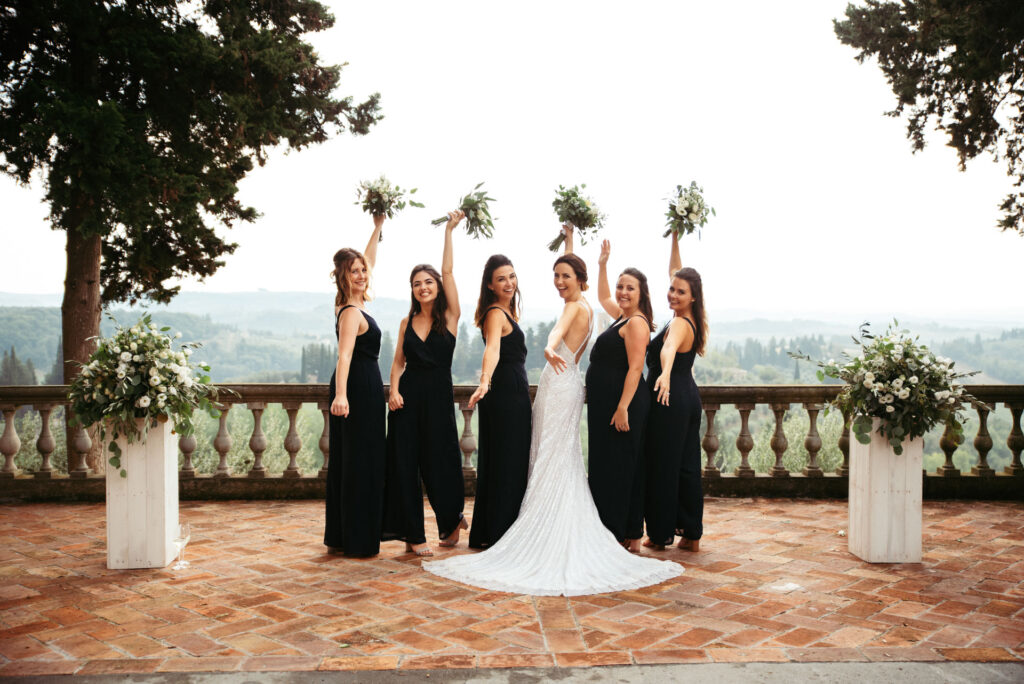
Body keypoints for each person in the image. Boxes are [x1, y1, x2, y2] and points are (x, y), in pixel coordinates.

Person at [424, 226, 682, 594]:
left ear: (579, 279)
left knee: (548, 454)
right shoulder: (586, 305)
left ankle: (545, 523)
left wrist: (548, 345)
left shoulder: (574, 307)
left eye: (565, 276)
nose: (559, 281)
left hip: (559, 383)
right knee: (559, 453)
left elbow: (558, 331)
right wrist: (571, 247)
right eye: (556, 276)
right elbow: (572, 294)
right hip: (568, 383)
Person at [381, 211, 469, 556]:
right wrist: (394, 391)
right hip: (407, 401)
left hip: (437, 399)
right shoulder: (406, 321)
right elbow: (398, 363)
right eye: (417, 283)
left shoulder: (450, 317)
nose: (423, 287)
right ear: (412, 290)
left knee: (442, 462)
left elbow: (448, 271)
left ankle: (451, 522)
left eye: (428, 282)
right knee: (404, 466)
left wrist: (448, 231)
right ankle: (413, 536)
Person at [586, 240, 655, 553]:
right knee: (611, 464)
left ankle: (622, 531)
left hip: (622, 403)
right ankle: (624, 531)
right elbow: (601, 296)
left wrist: (623, 407)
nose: (622, 292)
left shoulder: (637, 323)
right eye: (620, 287)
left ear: (641, 294)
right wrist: (602, 265)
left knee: (621, 467)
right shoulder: (622, 317)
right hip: (608, 402)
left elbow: (636, 367)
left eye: (630, 288)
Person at [325, 215, 387, 557]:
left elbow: (370, 259)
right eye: (355, 271)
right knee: (360, 461)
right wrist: (342, 395)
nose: (362, 274)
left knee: (356, 459)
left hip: (366, 384)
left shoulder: (355, 300)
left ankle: (344, 533)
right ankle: (358, 537)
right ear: (344, 277)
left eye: (363, 270)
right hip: (357, 388)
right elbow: (344, 356)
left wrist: (377, 227)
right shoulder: (350, 310)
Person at [644, 236, 707, 551]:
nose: (673, 294)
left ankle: (660, 533)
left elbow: (668, 348)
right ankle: (691, 534)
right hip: (687, 397)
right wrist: (675, 239)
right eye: (672, 289)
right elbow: (675, 270)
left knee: (663, 465)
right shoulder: (689, 316)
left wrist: (665, 374)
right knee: (685, 464)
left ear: (692, 297)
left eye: (680, 292)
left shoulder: (681, 323)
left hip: (669, 397)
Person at [463, 254, 531, 549]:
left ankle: (495, 531)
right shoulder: (495, 314)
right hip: (504, 395)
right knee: (507, 462)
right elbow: (492, 350)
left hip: (509, 393)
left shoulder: (507, 312)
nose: (509, 283)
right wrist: (484, 382)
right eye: (501, 278)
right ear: (490, 285)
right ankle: (502, 533)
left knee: (506, 461)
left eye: (512, 276)